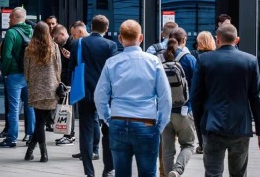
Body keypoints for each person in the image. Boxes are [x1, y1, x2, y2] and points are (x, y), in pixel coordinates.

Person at [95, 20, 171, 177]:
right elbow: (165, 97)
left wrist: (108, 118)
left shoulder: (111, 63)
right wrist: (161, 124)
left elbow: (100, 96)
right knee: (148, 173)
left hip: (118, 120)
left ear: (120, 39)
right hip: (146, 122)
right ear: (141, 38)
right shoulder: (153, 62)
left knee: (121, 173)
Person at [191, 24, 260, 177]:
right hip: (240, 125)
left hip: (212, 125)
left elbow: (196, 97)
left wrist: (200, 128)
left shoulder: (204, 60)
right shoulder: (250, 61)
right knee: (238, 173)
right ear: (237, 40)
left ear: (217, 39)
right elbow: (256, 98)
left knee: (212, 173)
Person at [71, 15, 118, 177]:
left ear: (91, 27)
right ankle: (108, 169)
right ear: (107, 28)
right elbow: (114, 71)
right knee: (108, 131)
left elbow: (72, 68)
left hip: (84, 92)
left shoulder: (78, 43)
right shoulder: (110, 45)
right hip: (106, 94)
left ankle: (89, 171)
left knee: (86, 132)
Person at [159, 28, 197, 177]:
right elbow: (198, 85)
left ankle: (169, 173)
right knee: (188, 144)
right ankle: (177, 170)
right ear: (184, 40)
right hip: (184, 109)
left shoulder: (159, 58)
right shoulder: (189, 59)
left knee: (167, 150)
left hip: (164, 111)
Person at [0, 7, 35, 148]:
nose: (9, 20)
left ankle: (12, 138)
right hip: (29, 74)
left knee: (14, 108)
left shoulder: (11, 33)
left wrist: (6, 72)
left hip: (14, 74)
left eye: (10, 17)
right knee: (30, 106)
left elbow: (6, 55)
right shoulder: (32, 31)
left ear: (13, 18)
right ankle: (30, 135)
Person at [24, 21, 62, 163]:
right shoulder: (54, 47)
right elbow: (58, 67)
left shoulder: (29, 49)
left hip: (36, 89)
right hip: (51, 88)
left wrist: (30, 82)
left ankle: (37, 153)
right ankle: (40, 153)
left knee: (40, 121)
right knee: (42, 121)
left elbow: (26, 70)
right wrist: (57, 82)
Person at [52, 23, 77, 146]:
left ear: (62, 34)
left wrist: (70, 57)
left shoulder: (72, 44)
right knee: (67, 108)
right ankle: (68, 134)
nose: (55, 41)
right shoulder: (64, 45)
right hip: (66, 80)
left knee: (69, 108)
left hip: (70, 81)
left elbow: (76, 63)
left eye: (56, 38)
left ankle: (69, 135)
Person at [192, 31, 215, 155]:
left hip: (199, 93)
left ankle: (202, 144)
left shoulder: (195, 55)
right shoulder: (216, 56)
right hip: (212, 93)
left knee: (199, 120)